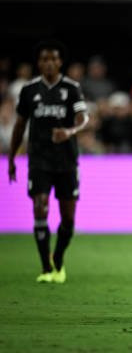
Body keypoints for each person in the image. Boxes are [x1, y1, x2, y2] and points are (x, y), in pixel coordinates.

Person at [7, 40, 89, 283]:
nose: (49, 63)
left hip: (66, 161)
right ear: (39, 63)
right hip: (39, 160)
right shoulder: (29, 90)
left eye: (53, 59)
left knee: (68, 218)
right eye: (44, 59)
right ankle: (45, 268)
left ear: (60, 62)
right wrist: (12, 157)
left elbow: (84, 118)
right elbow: (20, 125)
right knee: (40, 207)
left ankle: (58, 259)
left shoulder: (71, 88)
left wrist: (70, 132)